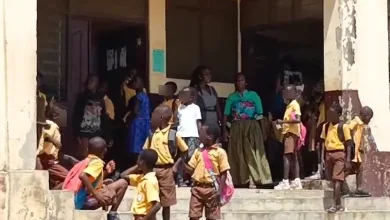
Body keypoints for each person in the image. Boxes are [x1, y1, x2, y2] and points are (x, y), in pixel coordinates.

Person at [223, 73, 272, 188]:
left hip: (251, 127)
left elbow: (260, 114)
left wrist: (262, 131)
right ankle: (241, 179)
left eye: (242, 80)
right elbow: (226, 115)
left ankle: (255, 179)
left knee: (252, 153)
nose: (239, 83)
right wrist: (224, 131)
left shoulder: (253, 95)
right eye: (237, 81)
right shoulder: (231, 97)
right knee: (239, 153)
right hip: (236, 128)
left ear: (246, 82)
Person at [143, 105, 188, 220]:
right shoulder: (152, 134)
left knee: (166, 202)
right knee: (151, 199)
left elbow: (184, 151)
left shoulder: (173, 134)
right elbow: (145, 150)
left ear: (161, 117)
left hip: (167, 170)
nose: (151, 118)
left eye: (154, 116)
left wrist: (176, 166)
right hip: (152, 170)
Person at [75, 137, 128, 220]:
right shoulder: (97, 163)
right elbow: (83, 176)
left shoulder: (86, 161)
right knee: (120, 186)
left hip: (78, 199)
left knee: (110, 182)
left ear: (88, 149)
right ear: (105, 150)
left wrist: (106, 172)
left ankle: (111, 214)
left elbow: (91, 180)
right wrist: (97, 194)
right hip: (84, 202)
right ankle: (112, 214)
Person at [184, 123, 230, 220]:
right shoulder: (198, 151)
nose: (199, 136)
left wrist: (219, 191)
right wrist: (181, 164)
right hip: (197, 188)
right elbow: (190, 169)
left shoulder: (220, 152)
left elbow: (223, 174)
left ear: (209, 136)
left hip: (212, 190)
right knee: (193, 216)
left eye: (201, 134)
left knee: (212, 217)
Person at [320, 103, 352, 213]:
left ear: (338, 114)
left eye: (332, 114)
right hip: (328, 155)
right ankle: (339, 204)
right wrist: (322, 159)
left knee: (337, 179)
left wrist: (347, 160)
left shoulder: (344, 127)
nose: (329, 116)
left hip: (339, 154)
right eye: (328, 114)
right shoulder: (326, 126)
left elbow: (348, 144)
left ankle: (334, 204)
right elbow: (324, 142)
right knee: (333, 181)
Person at [72, 75, 109, 159]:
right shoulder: (82, 96)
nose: (91, 82)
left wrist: (106, 134)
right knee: (84, 153)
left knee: (96, 154)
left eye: (93, 81)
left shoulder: (100, 97)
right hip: (84, 129)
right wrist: (76, 132)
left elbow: (103, 115)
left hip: (96, 129)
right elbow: (77, 114)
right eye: (90, 80)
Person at [274, 85, 302, 190]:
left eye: (288, 92)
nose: (285, 94)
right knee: (294, 158)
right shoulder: (289, 105)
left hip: (291, 134)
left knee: (286, 157)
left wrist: (283, 122)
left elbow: (297, 119)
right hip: (289, 133)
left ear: (294, 94)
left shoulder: (295, 105)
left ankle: (285, 181)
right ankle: (296, 180)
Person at [36, 103, 70, 189]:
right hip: (46, 160)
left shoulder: (53, 127)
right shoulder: (51, 126)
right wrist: (51, 139)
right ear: (55, 116)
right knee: (69, 179)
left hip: (50, 160)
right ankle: (51, 195)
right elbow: (48, 139)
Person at [121, 149, 161, 220]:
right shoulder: (142, 177)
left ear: (142, 162)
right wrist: (137, 166)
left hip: (145, 217)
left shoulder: (150, 181)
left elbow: (157, 205)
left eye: (138, 159)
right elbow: (123, 175)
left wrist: (145, 218)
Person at [344, 106, 374, 197]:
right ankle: (339, 183)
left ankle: (359, 188)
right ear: (365, 115)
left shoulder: (360, 123)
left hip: (357, 151)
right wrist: (349, 140)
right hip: (353, 150)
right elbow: (347, 128)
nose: (369, 120)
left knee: (360, 168)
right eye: (369, 117)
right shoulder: (355, 122)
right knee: (349, 169)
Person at [177, 87, 202, 186]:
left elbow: (198, 122)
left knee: (192, 158)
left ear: (191, 97)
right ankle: (180, 179)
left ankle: (193, 179)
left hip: (193, 135)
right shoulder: (180, 108)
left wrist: (200, 136)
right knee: (181, 158)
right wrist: (177, 106)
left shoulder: (196, 108)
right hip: (181, 135)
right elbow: (174, 118)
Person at [126, 75, 151, 167]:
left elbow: (135, 111)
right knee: (143, 147)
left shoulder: (138, 97)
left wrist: (128, 120)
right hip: (146, 124)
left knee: (136, 147)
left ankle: (136, 167)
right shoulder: (145, 96)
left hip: (138, 124)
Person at [189, 66, 222, 130]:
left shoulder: (212, 89)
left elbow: (218, 109)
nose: (209, 76)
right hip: (203, 121)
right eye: (206, 74)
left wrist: (222, 124)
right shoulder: (195, 90)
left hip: (214, 120)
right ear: (200, 76)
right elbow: (193, 109)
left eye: (210, 74)